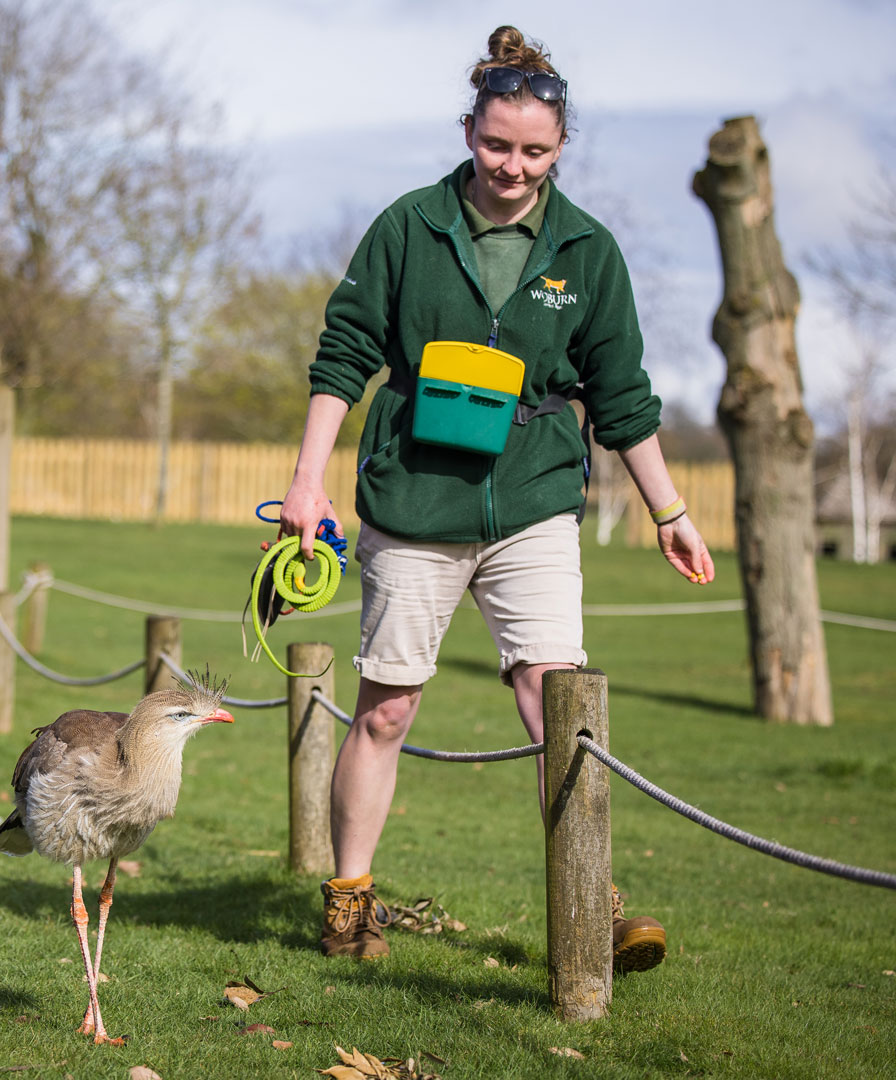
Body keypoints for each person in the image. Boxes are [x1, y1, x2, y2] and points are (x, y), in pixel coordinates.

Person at [278, 26, 715, 967]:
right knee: (387, 708)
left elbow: (623, 396)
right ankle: (351, 900)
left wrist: (669, 511)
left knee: (554, 696)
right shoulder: (408, 226)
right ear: (468, 127)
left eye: (535, 152)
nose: (513, 167)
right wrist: (307, 481)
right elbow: (344, 356)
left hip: (534, 496)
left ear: (561, 150)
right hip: (414, 500)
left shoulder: (588, 251)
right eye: (496, 144)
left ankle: (596, 902)